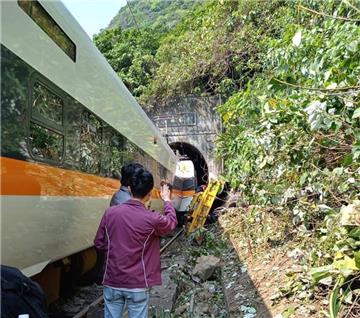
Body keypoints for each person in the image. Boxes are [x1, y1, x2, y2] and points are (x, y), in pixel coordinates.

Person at [94, 166, 178, 318]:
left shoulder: (110, 213)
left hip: (112, 281)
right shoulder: (151, 219)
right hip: (137, 284)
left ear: (130, 189)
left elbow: (99, 243)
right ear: (149, 193)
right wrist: (167, 200)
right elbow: (171, 223)